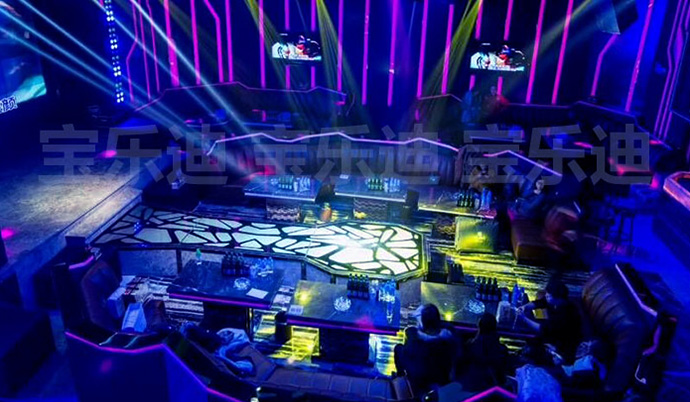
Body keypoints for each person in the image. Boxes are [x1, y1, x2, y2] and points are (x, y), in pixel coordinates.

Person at [394, 304, 455, 395]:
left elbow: (408, 353)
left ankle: (401, 378)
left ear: (422, 321)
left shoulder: (414, 337)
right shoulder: (449, 338)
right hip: (441, 376)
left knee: (398, 348)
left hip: (419, 376)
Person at [517, 279, 582, 363]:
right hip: (550, 333)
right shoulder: (555, 302)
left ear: (558, 298)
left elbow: (543, 329)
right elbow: (541, 302)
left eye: (549, 296)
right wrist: (525, 307)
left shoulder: (565, 315)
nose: (546, 297)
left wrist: (524, 318)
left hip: (560, 345)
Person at [456, 313, 509, 392]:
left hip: (472, 387)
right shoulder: (502, 350)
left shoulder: (470, 345)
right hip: (493, 389)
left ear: (479, 327)